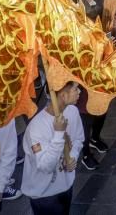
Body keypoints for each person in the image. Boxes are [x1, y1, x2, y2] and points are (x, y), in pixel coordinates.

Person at [21, 82, 85, 215]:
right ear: (62, 95)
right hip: (44, 195)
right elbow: (45, 167)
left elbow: (79, 138)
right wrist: (59, 134)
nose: (79, 92)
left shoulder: (73, 111)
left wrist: (73, 155)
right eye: (75, 89)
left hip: (66, 186)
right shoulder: (36, 127)